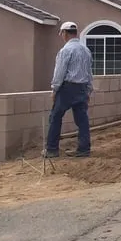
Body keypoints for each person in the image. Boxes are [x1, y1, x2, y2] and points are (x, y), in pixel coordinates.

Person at [46, 21, 94, 157]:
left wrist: (54, 89)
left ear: (64, 33)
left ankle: (51, 149)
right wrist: (89, 89)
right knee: (82, 120)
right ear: (76, 33)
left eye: (61, 33)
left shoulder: (66, 50)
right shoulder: (86, 50)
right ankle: (84, 149)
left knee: (55, 117)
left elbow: (60, 72)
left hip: (68, 88)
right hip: (82, 88)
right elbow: (89, 72)